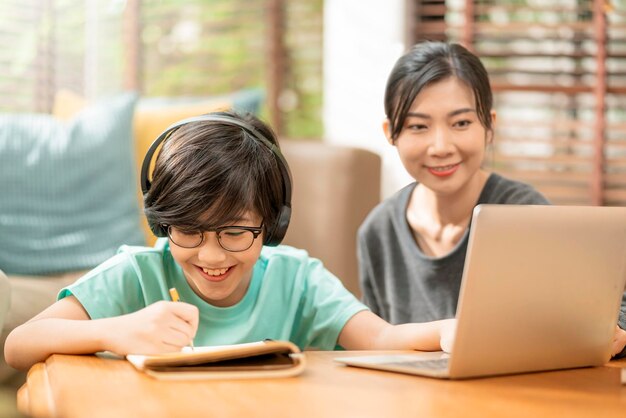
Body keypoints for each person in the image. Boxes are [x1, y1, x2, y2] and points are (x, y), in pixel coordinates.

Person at [4, 111, 455, 371]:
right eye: (188, 230)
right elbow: (20, 344)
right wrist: (115, 330)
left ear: (273, 225)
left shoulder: (297, 277)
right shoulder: (136, 273)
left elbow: (383, 338)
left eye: (236, 232)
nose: (211, 254)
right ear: (162, 223)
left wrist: (452, 331)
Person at [357, 41, 626, 358]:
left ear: (489, 127)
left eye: (461, 123)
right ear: (391, 133)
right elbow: (379, 346)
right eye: (418, 126)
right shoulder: (377, 231)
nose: (441, 146)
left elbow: (610, 311)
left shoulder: (524, 214)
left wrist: (609, 332)